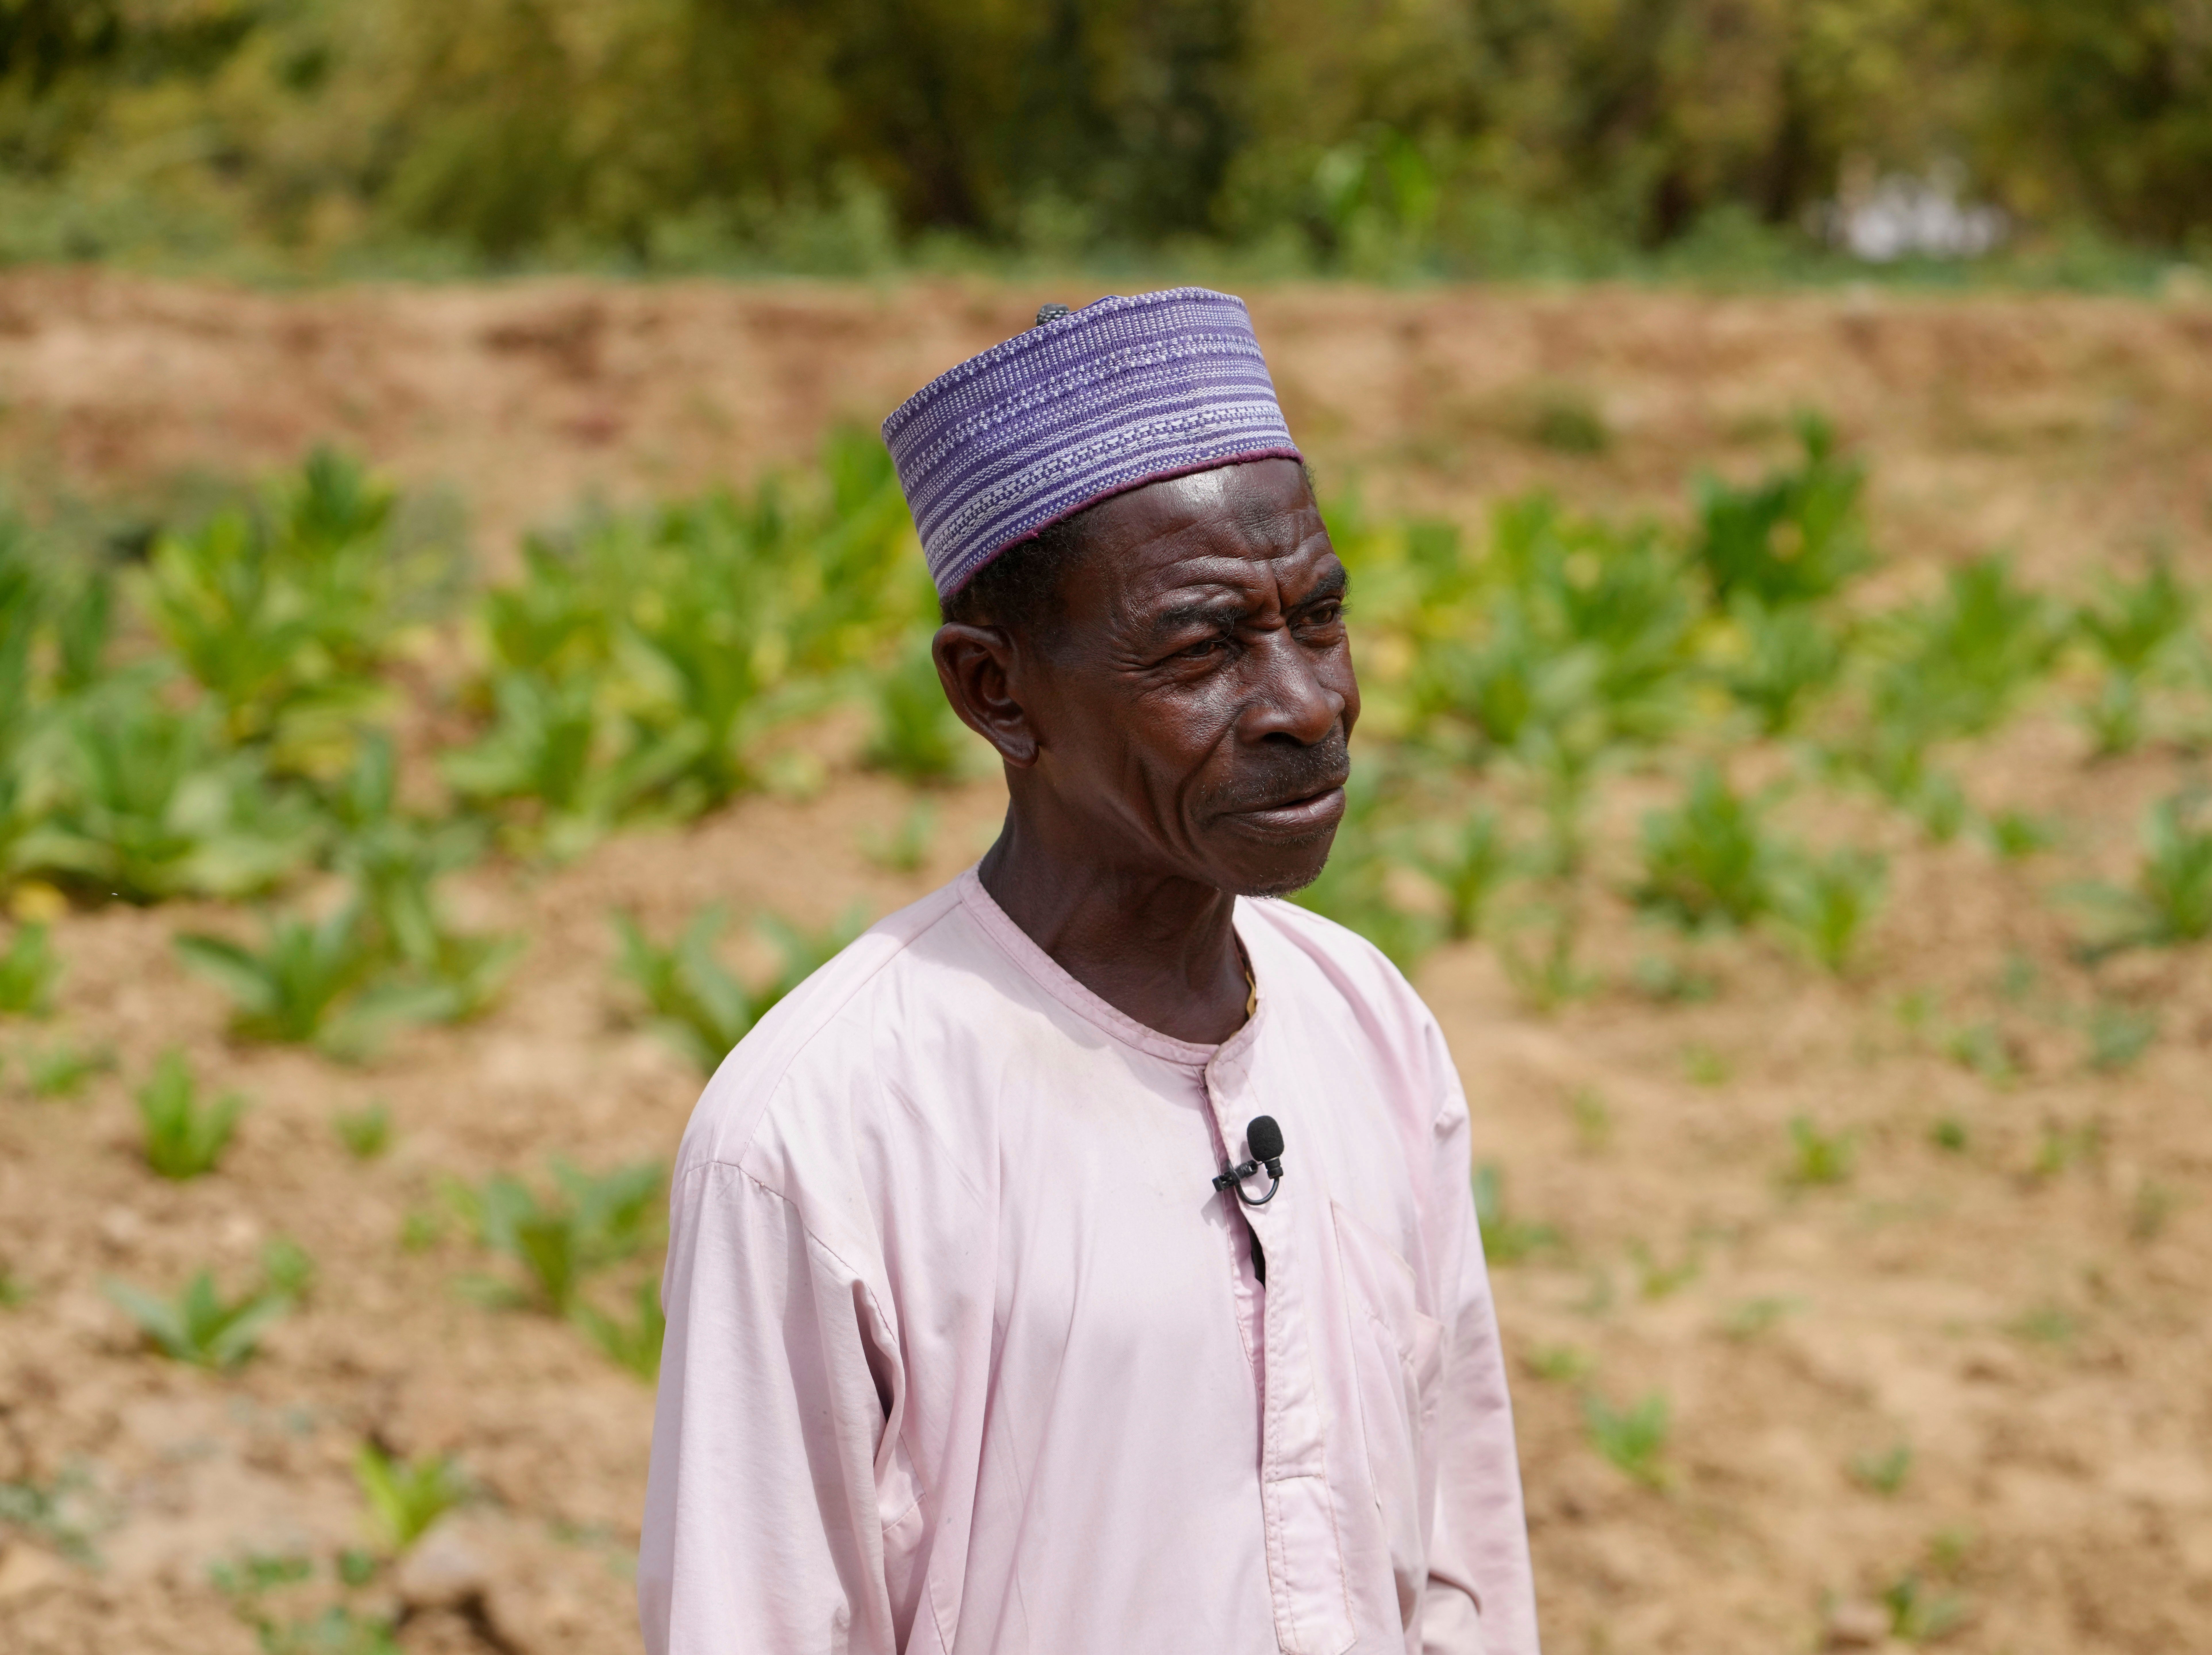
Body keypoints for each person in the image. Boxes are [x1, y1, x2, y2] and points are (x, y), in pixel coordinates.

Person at [637, 288, 1538, 1655]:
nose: (1306, 705)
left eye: (1320, 618)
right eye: (1202, 647)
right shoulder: (822, 1134)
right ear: (995, 693)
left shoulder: (1369, 1026)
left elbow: (1463, 1554)